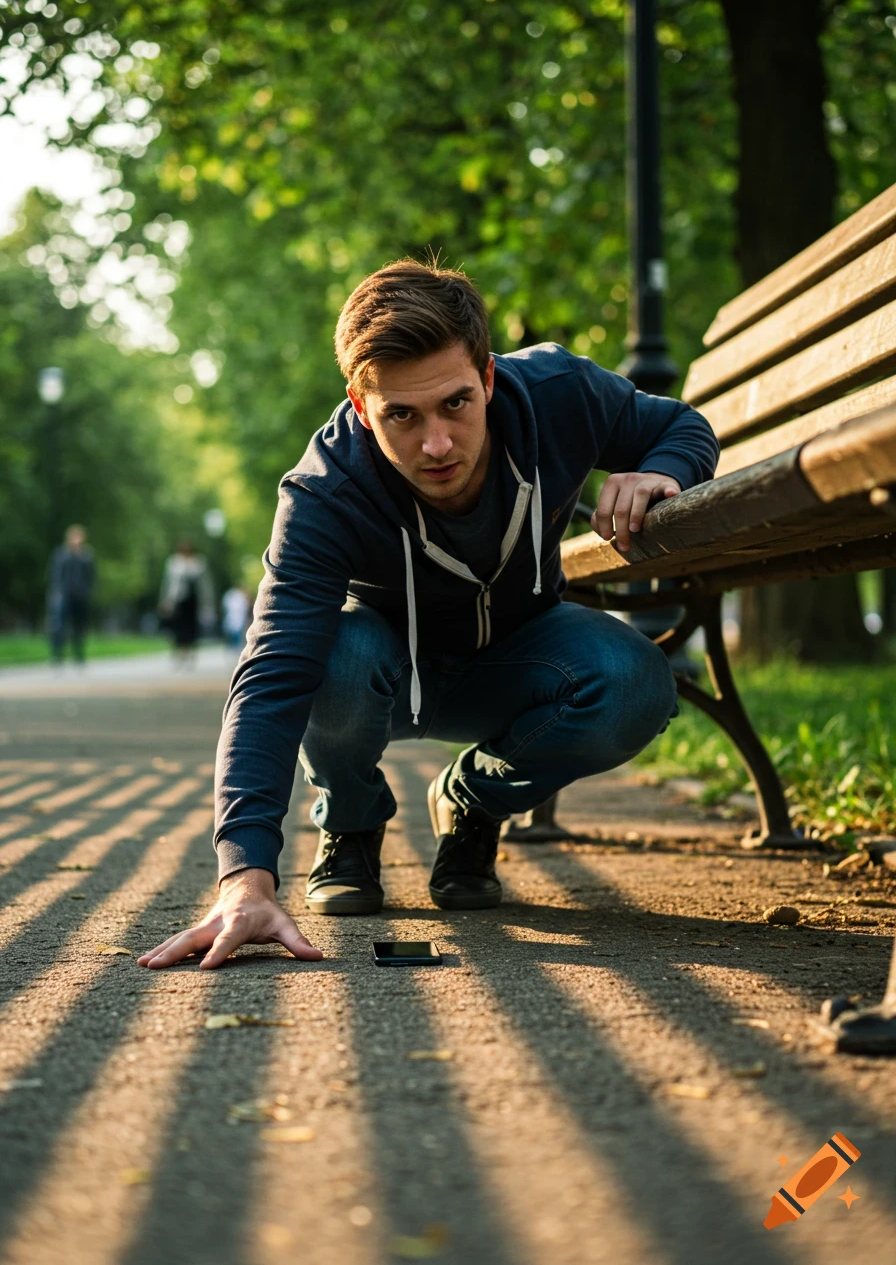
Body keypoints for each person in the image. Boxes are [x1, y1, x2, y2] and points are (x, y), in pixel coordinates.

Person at [138, 259, 719, 972]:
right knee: (333, 656)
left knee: (635, 680)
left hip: (519, 659)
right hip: (383, 674)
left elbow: (682, 426)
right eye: (401, 417)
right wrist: (244, 878)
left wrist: (663, 470)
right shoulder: (325, 492)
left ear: (488, 379)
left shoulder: (559, 394)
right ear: (360, 404)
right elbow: (270, 676)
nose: (436, 444)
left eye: (455, 405)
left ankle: (473, 800)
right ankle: (350, 825)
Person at [157, 540, 215, 664]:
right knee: (177, 627)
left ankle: (189, 651)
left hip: (193, 601)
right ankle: (178, 651)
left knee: (191, 627)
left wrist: (207, 603)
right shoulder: (174, 562)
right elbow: (167, 583)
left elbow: (205, 585)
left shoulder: (199, 562)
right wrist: (165, 600)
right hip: (178, 600)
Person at [48, 524, 95, 665]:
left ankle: (79, 656)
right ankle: (57, 656)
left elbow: (91, 576)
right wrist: (57, 592)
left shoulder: (86, 555)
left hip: (80, 596)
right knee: (59, 626)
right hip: (64, 595)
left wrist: (87, 591)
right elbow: (55, 575)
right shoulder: (61, 554)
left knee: (79, 626)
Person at [221, 584, 252, 651]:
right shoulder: (234, 597)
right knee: (233, 634)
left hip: (238, 619)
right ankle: (234, 647)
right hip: (235, 619)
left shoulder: (238, 597)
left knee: (237, 634)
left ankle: (236, 647)